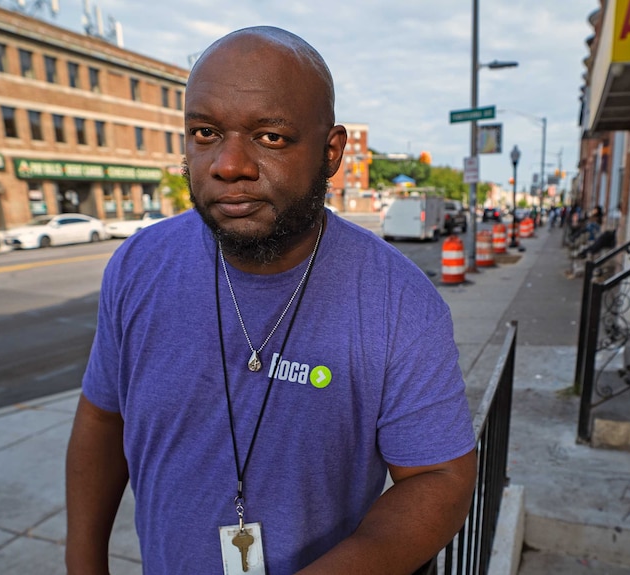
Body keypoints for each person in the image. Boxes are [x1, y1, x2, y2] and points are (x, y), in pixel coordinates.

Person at [65, 26, 476, 575]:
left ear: (331, 153)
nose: (229, 164)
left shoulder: (399, 303)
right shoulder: (139, 266)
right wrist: (83, 561)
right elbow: (102, 418)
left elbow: (439, 478)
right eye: (206, 132)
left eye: (270, 137)